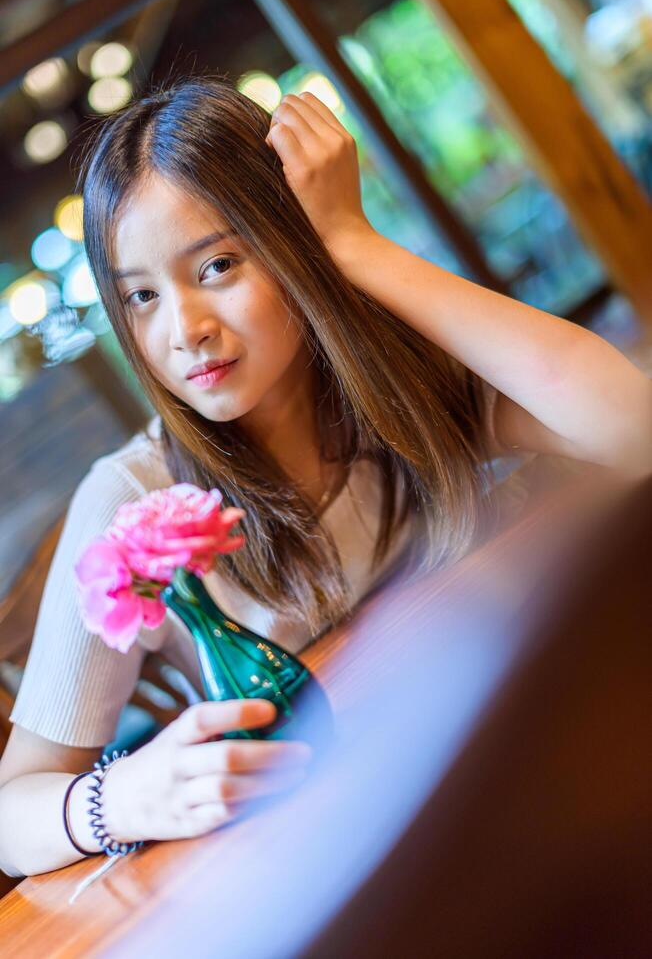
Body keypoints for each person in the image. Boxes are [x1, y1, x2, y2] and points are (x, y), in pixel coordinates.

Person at [0, 75, 649, 879]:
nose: (184, 330)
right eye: (139, 295)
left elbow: (633, 423)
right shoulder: (133, 501)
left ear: (292, 239)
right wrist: (122, 797)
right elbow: (13, 811)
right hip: (342, 850)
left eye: (218, 265)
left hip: (514, 763)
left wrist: (352, 243)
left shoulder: (392, 381)